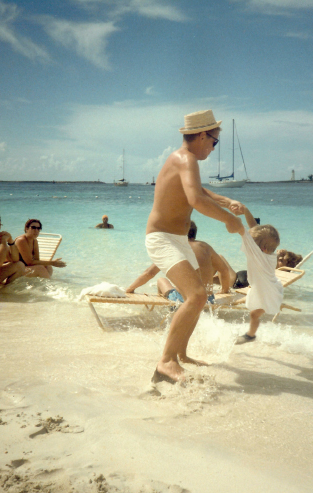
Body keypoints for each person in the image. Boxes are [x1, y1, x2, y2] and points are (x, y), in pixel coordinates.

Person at [145, 109, 243, 384]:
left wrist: (222, 199)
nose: (213, 148)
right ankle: (165, 362)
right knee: (197, 296)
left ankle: (180, 355)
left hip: (175, 239)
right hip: (162, 238)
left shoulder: (182, 160)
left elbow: (198, 191)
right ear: (202, 135)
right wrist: (230, 220)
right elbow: (196, 200)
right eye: (214, 141)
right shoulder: (186, 159)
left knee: (197, 298)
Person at [126, 221, 231, 301]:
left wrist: (130, 289)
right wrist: (224, 290)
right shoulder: (205, 247)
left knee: (161, 280)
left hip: (184, 299)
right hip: (207, 299)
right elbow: (224, 270)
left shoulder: (175, 248)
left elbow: (149, 273)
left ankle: (169, 309)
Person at [234, 205, 283, 345]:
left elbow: (242, 231)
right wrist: (245, 211)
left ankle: (250, 336)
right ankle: (251, 335)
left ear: (261, 248)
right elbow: (254, 227)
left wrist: (229, 218)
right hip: (270, 288)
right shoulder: (268, 253)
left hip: (267, 292)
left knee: (254, 314)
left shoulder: (258, 255)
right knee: (254, 314)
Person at [214, 248, 303, 290]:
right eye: (279, 257)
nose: (278, 258)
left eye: (281, 260)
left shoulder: (272, 274)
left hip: (236, 282)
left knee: (218, 258)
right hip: (235, 278)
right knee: (207, 279)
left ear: (285, 268)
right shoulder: (269, 268)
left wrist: (276, 256)